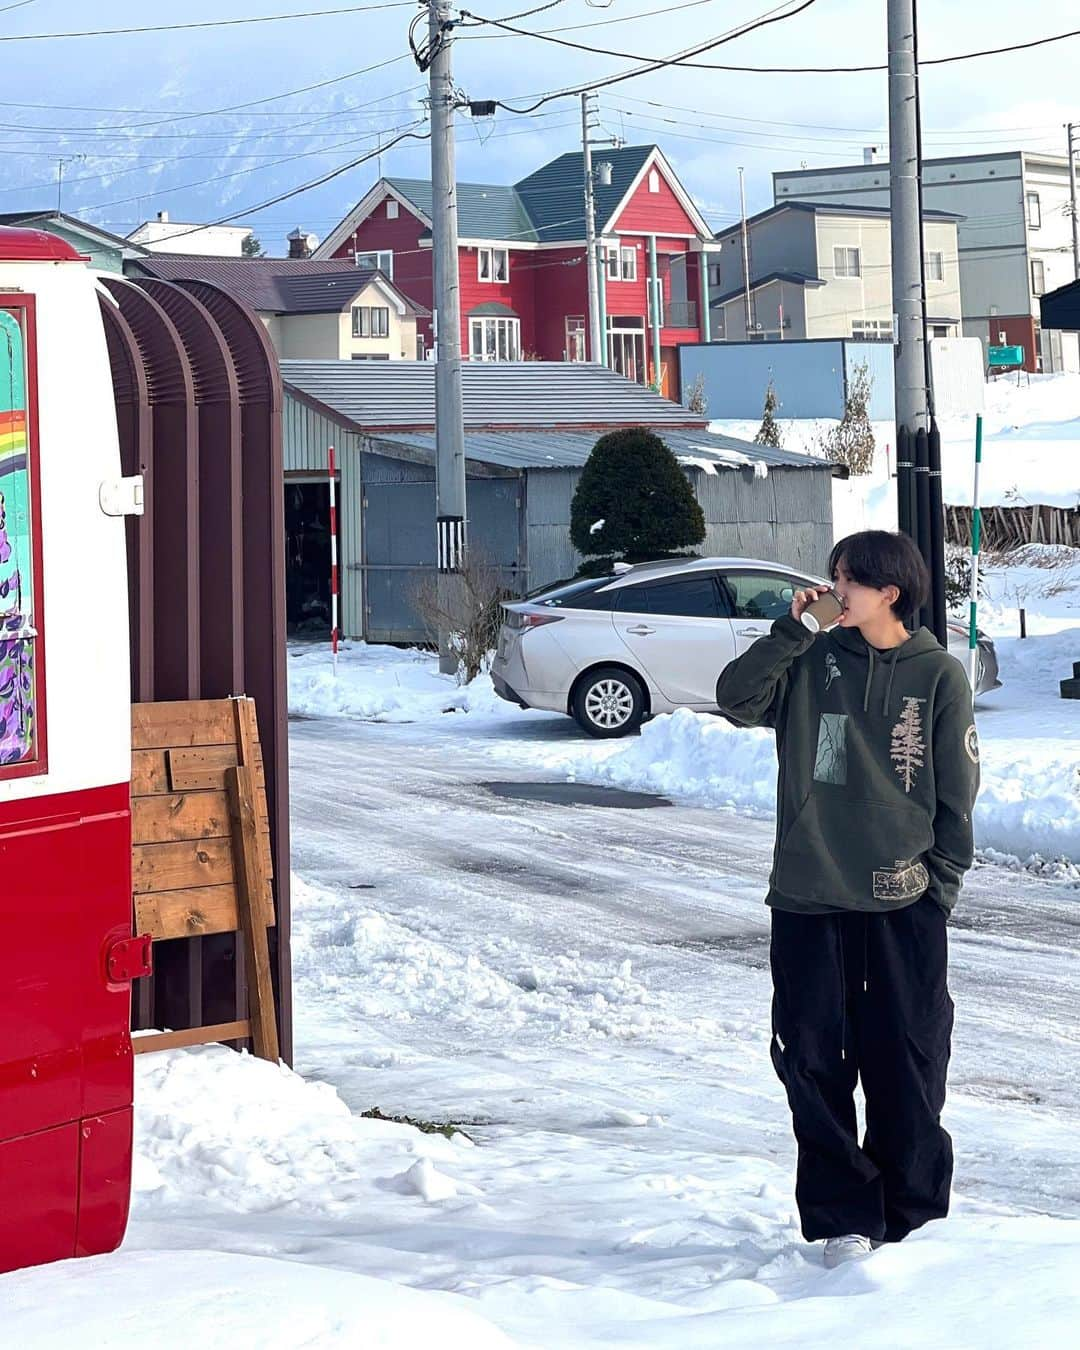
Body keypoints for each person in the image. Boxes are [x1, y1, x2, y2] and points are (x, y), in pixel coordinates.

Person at [714, 530, 980, 1270]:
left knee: (909, 1058)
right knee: (811, 1060)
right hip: (807, 896)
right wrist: (793, 629)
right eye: (832, 576)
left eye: (847, 579)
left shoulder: (937, 675)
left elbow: (956, 799)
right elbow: (736, 699)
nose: (833, 589)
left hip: (904, 905)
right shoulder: (811, 658)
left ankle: (911, 1213)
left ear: (888, 590)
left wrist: (939, 894)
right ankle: (842, 1215)